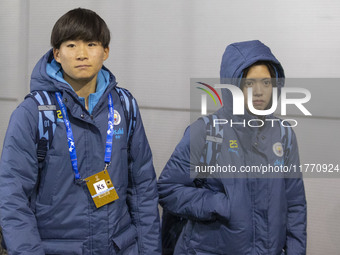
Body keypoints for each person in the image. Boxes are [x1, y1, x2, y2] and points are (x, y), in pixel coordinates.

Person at [0, 8, 161, 255]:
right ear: (57, 54)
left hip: (119, 247)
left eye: (91, 44)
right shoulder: (34, 112)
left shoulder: (124, 106)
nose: (82, 54)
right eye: (71, 45)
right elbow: (12, 198)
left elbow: (143, 190)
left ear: (105, 51)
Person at [158, 40, 306, 255]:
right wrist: (219, 204)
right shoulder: (208, 132)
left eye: (266, 82)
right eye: (249, 83)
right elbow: (168, 189)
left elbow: (295, 204)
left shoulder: (283, 133)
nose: (259, 91)